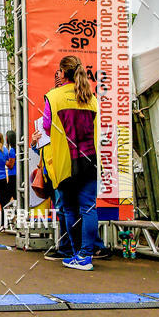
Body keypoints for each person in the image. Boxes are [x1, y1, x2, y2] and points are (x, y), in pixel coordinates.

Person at [42, 55, 99, 270]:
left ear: (62, 73)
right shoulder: (90, 97)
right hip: (90, 159)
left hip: (65, 160)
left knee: (69, 209)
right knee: (89, 208)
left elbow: (47, 127)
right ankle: (86, 255)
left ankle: (77, 254)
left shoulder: (53, 96)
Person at [4, 130, 17, 205]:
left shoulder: (12, 150)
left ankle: (3, 213)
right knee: (15, 195)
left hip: (13, 175)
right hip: (16, 174)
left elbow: (11, 165)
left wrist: (3, 160)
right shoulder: (16, 148)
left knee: (7, 196)